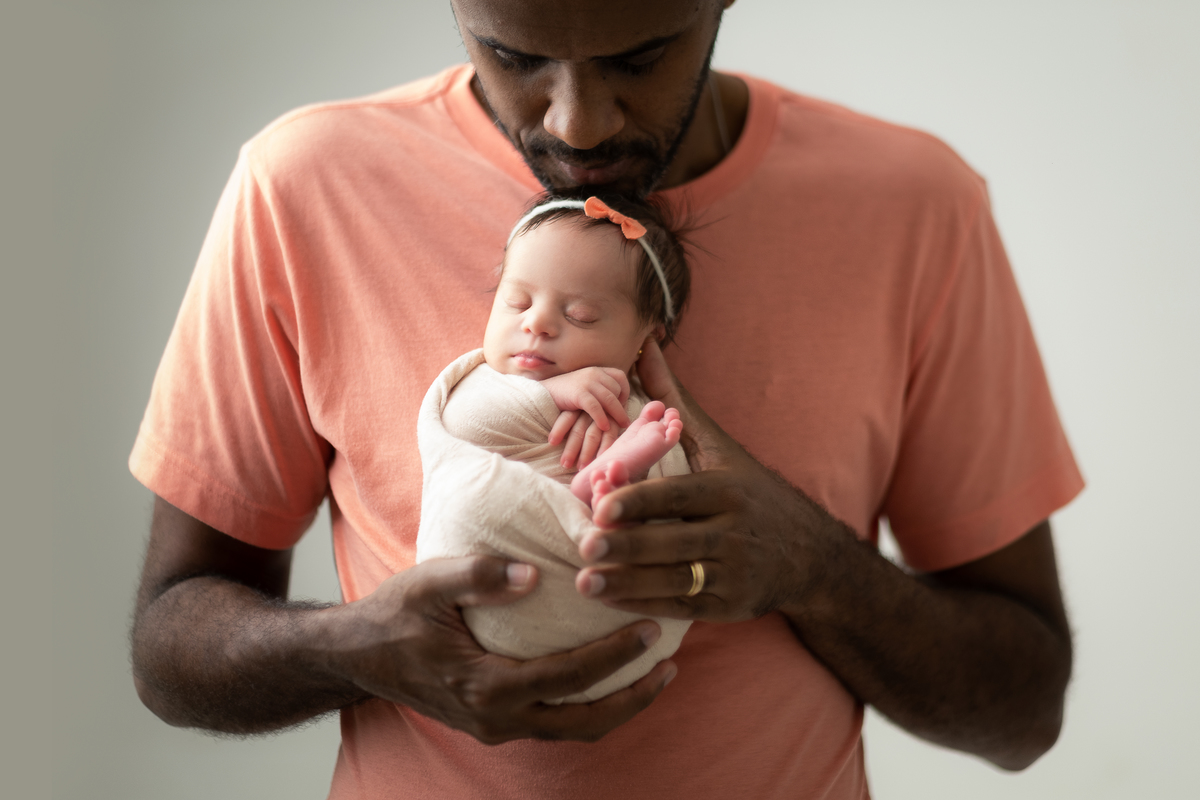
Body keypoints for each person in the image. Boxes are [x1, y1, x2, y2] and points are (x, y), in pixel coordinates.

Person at [128, 1, 1084, 797]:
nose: (577, 124)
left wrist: (811, 566)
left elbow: (1022, 707)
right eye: (513, 54)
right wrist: (360, 649)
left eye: (640, 55)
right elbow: (170, 642)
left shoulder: (914, 207)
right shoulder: (302, 187)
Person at [415, 194, 692, 703]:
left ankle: (607, 494)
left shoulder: (638, 405)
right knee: (478, 501)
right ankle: (601, 491)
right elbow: (465, 428)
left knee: (661, 470)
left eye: (582, 315)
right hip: (493, 590)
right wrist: (549, 395)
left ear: (643, 342)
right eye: (516, 302)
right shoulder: (480, 381)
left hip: (613, 616)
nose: (536, 324)